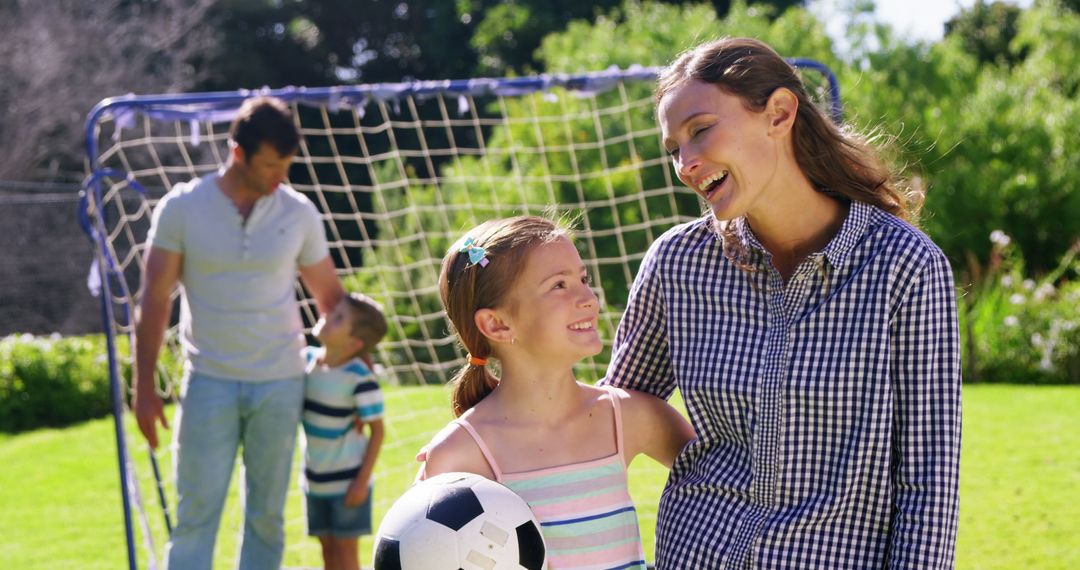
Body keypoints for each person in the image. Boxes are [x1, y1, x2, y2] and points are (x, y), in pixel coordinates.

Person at [600, 37, 962, 568]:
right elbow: (614, 412)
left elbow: (928, 483)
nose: (685, 164)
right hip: (696, 553)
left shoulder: (904, 266)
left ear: (780, 113)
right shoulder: (676, 263)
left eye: (700, 131)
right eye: (674, 148)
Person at [132, 95, 346, 570]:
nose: (280, 177)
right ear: (237, 153)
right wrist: (143, 387)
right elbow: (154, 300)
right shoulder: (182, 208)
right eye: (271, 165)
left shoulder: (299, 212)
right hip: (209, 380)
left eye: (286, 165)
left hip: (281, 382)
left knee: (267, 519)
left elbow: (330, 299)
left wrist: (355, 370)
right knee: (194, 516)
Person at [419, 215, 696, 570]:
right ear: (497, 324)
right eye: (559, 285)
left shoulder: (629, 416)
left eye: (583, 279)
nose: (589, 299)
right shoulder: (460, 455)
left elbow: (724, 478)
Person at [301, 292, 387, 570]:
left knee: (346, 554)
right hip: (314, 480)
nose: (327, 316)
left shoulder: (359, 378)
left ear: (353, 343)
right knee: (327, 553)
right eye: (332, 311)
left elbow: (378, 432)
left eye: (338, 319)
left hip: (348, 483)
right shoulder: (305, 361)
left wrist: (361, 482)